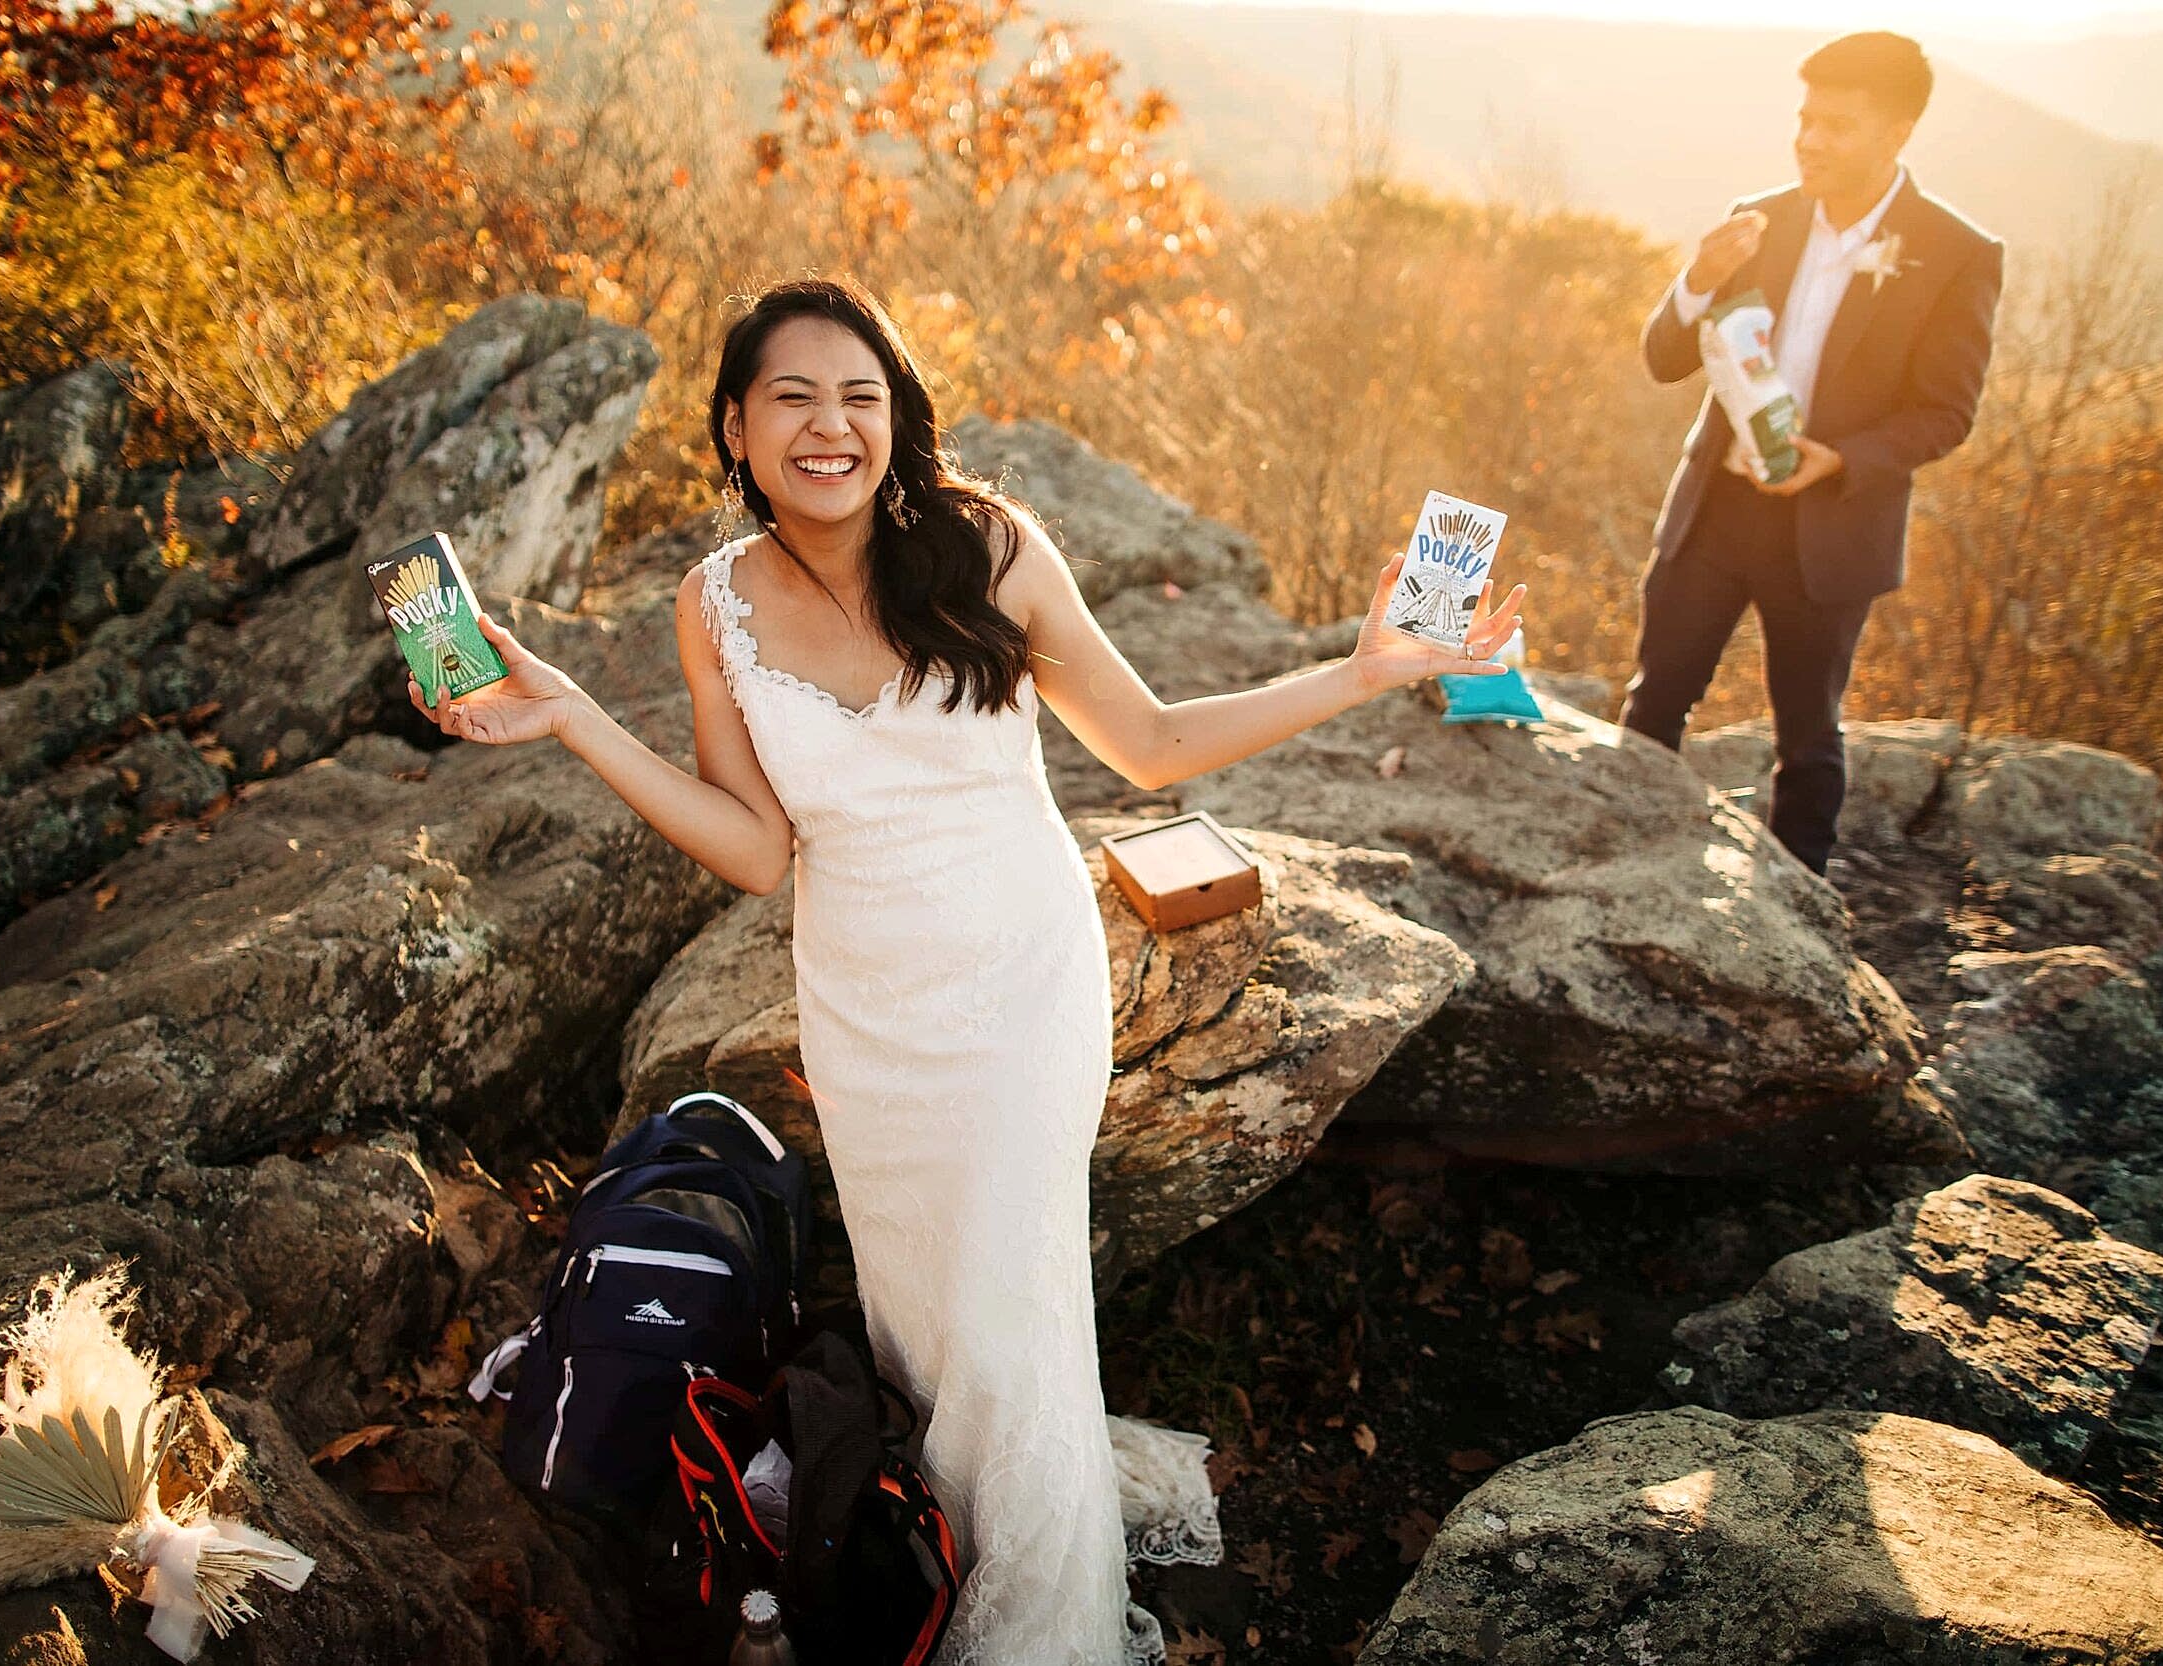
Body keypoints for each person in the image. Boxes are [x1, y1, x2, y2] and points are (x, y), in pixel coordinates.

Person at [411, 277, 1524, 1665]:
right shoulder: (713, 607)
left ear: (897, 417)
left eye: (860, 396)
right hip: (867, 1005)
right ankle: (931, 1537)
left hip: (1021, 978)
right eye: (795, 398)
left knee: (1005, 1298)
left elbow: (1155, 743)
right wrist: (577, 718)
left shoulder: (989, 544)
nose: (831, 426)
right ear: (736, 427)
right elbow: (757, 849)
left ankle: (1037, 1625)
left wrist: (1358, 674)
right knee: (925, 1305)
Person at [1620, 31, 2003, 878]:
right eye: (1805, 119)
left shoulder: (1956, 253)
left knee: (1808, 736)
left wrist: (1841, 459)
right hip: (1716, 512)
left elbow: (1946, 413)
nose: (1811, 140)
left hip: (1829, 526)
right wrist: (1695, 280)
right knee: (1653, 704)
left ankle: (1803, 915)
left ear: (1898, 132)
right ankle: (1619, 875)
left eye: (1838, 125)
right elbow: (1664, 358)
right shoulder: (1763, 216)